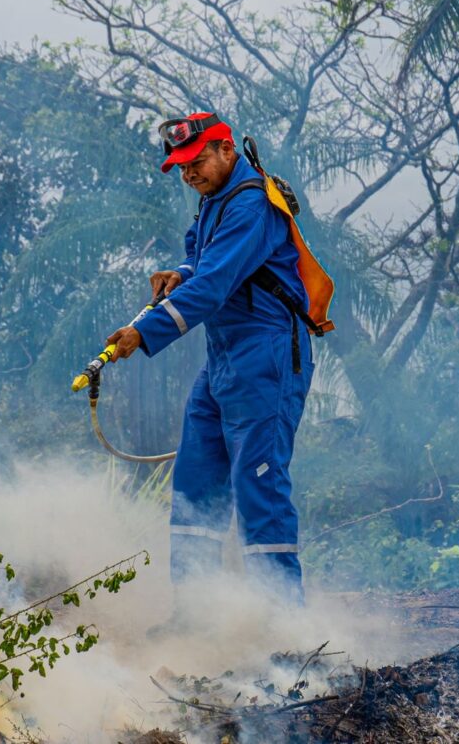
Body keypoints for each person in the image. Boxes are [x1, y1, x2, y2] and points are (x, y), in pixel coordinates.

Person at [106, 112, 313, 607]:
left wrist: (143, 331)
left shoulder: (252, 205)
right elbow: (200, 259)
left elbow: (215, 285)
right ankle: (196, 619)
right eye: (180, 168)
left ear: (226, 150)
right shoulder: (212, 200)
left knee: (258, 485)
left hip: (266, 356)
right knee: (195, 484)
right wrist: (179, 273)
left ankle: (285, 627)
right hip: (223, 359)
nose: (188, 174)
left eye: (195, 162)